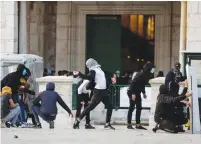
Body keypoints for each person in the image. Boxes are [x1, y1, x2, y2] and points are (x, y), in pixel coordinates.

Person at [73, 58, 115, 130]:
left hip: (104, 91)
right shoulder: (93, 71)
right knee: (90, 107)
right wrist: (79, 73)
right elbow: (88, 77)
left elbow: (103, 78)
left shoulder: (99, 69)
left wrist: (111, 79)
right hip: (98, 92)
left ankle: (107, 124)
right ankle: (78, 120)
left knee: (110, 106)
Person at [127, 62, 155, 130]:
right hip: (132, 92)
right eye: (152, 68)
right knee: (131, 108)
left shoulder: (145, 74)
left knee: (139, 108)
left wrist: (144, 93)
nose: (153, 70)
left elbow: (142, 85)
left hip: (137, 92)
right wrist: (133, 93)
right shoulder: (140, 74)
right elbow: (133, 83)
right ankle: (129, 124)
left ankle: (138, 124)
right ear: (149, 68)